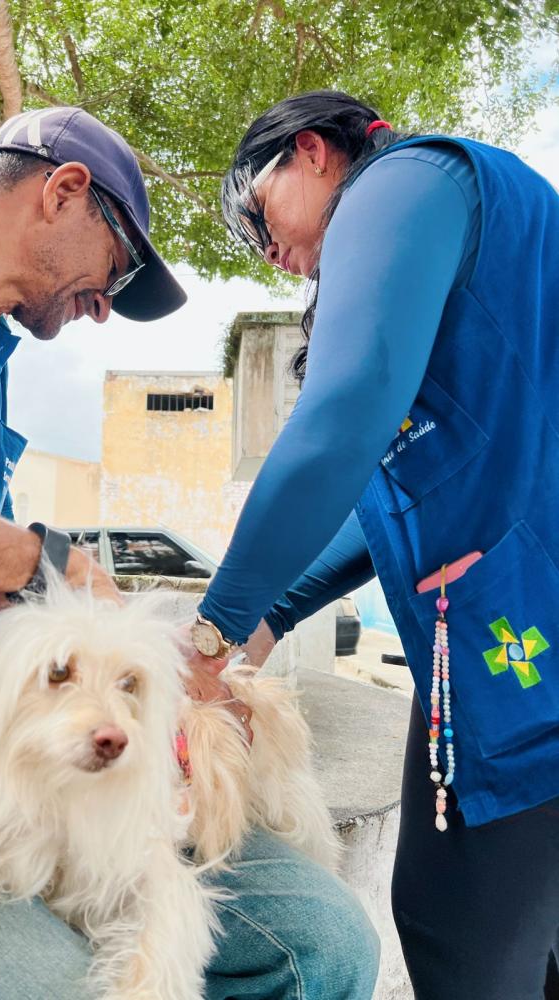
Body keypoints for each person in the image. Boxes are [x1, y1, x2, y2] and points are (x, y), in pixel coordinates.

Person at [0, 106, 379, 999]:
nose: (103, 308)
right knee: (42, 980)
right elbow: (3, 559)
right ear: (64, 191)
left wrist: (158, 695)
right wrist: (35, 558)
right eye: (111, 269)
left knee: (317, 943)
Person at [182, 89, 559, 999]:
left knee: (459, 935)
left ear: (312, 151)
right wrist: (271, 611)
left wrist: (209, 633)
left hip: (521, 654)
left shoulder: (404, 182)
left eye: (254, 211)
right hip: (511, 642)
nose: (268, 252)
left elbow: (339, 422)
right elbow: (387, 492)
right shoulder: (453, 261)